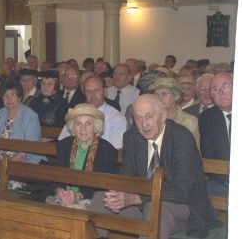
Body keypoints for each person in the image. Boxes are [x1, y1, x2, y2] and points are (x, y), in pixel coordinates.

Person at [90, 94, 218, 239]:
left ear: (163, 115)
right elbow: (127, 176)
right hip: (142, 203)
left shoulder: (182, 138)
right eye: (138, 118)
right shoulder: (132, 137)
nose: (143, 124)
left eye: (149, 116)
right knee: (101, 198)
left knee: (155, 209)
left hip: (182, 206)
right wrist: (119, 195)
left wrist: (136, 198)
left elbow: (182, 191)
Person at [47, 104, 117, 208]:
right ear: (73, 126)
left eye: (88, 123)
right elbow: (57, 175)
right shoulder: (63, 145)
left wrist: (78, 195)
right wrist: (59, 190)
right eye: (78, 123)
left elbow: (102, 185)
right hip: (64, 196)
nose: (83, 128)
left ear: (96, 126)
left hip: (91, 199)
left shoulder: (107, 150)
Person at [0, 80, 43, 163]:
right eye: (5, 95)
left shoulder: (31, 117)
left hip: (26, 163)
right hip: (0, 163)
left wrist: (4, 168)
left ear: (20, 97)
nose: (9, 98)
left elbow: (27, 150)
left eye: (13, 95)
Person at [199, 72, 232, 196]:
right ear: (212, 95)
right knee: (199, 192)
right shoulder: (207, 118)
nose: (220, 92)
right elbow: (209, 155)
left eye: (225, 86)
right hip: (222, 180)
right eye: (215, 89)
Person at [149, 77, 200, 148]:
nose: (159, 98)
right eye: (156, 94)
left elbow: (195, 152)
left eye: (164, 94)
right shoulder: (149, 120)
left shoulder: (189, 122)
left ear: (176, 96)